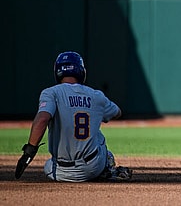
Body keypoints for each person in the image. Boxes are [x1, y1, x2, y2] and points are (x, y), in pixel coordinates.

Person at [15, 51, 132, 182]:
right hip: (93, 167)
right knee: (96, 133)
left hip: (58, 172)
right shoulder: (96, 95)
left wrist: (29, 151)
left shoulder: (50, 92)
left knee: (47, 164)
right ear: (81, 71)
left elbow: (42, 119)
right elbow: (117, 112)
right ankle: (107, 169)